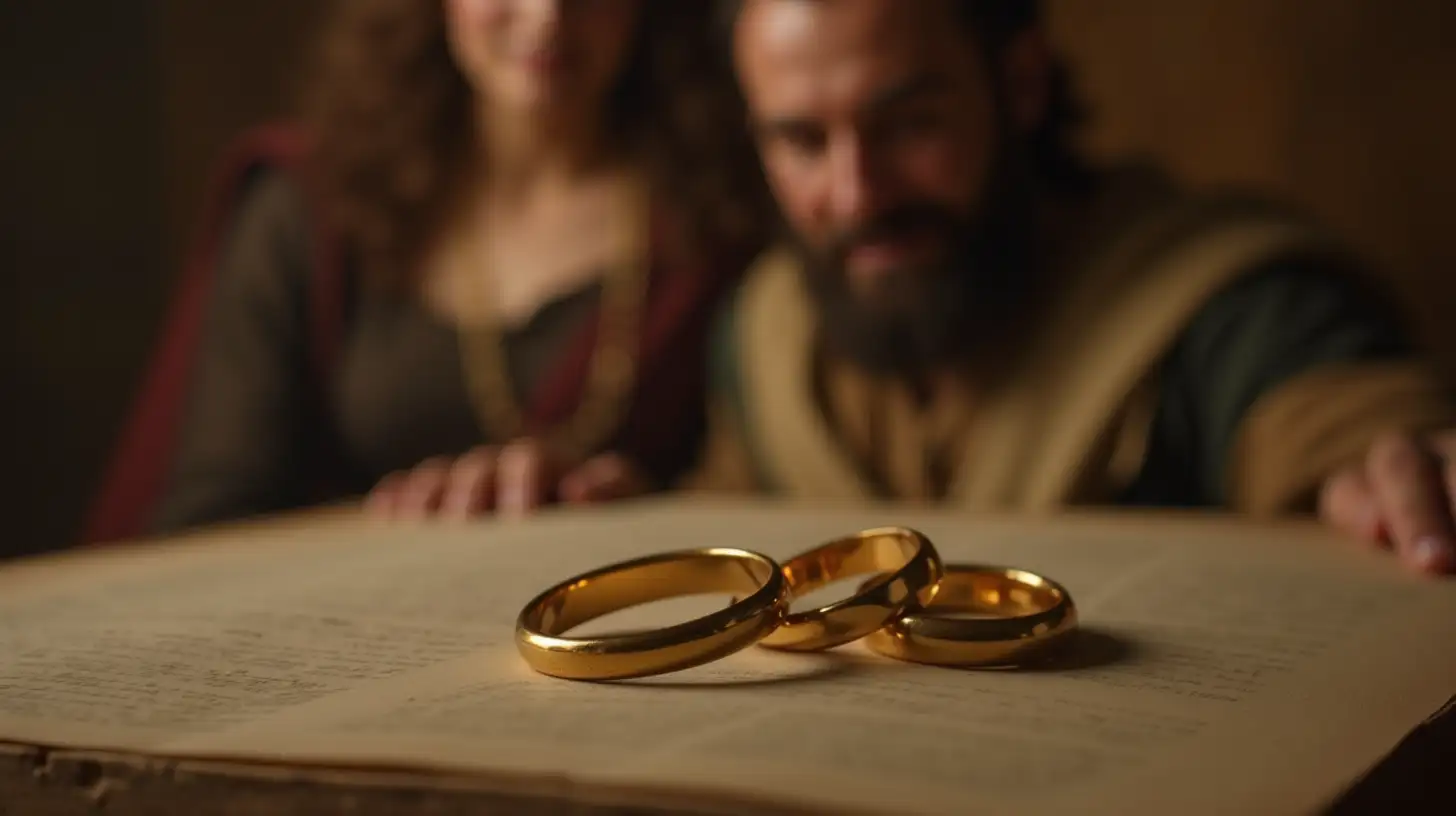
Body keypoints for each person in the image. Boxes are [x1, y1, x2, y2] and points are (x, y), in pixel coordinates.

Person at [680, 0, 1456, 574]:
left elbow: (1345, 421)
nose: (856, 195)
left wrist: (1402, 474)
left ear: (1021, 83)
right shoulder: (765, 334)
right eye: (802, 141)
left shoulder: (1218, 299)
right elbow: (722, 508)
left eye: (910, 125)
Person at [82, 0, 768, 542]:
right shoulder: (314, 207)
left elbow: (765, 492)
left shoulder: (729, 212)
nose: (546, 15)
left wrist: (637, 510)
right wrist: (397, 527)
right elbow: (211, 518)